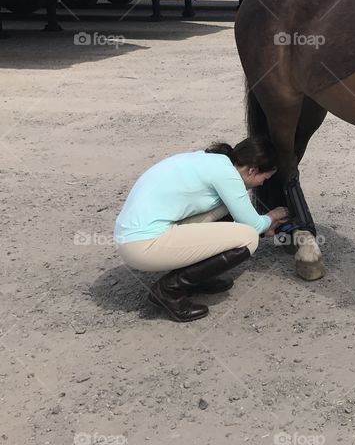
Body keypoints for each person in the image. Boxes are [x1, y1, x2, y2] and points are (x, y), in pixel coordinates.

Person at [114, 137, 289, 322]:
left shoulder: (212, 160)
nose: (262, 183)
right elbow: (253, 225)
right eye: (264, 178)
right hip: (142, 246)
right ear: (252, 170)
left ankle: (195, 279)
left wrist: (263, 223)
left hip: (130, 237)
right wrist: (272, 217)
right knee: (249, 237)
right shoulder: (227, 175)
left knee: (225, 207)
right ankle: (168, 290)